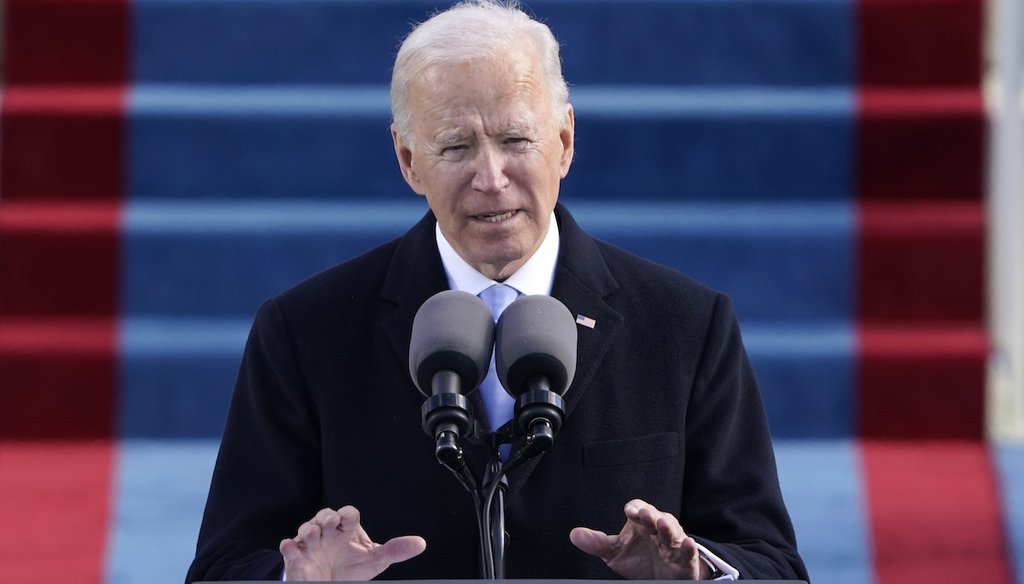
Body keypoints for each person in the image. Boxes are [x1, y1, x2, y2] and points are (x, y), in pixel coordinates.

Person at [186, 1, 807, 581]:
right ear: (407, 160)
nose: (491, 178)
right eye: (456, 146)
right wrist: (297, 578)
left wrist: (697, 570)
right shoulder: (305, 333)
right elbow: (222, 564)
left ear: (563, 141)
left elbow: (772, 562)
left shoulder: (686, 326)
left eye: (516, 141)